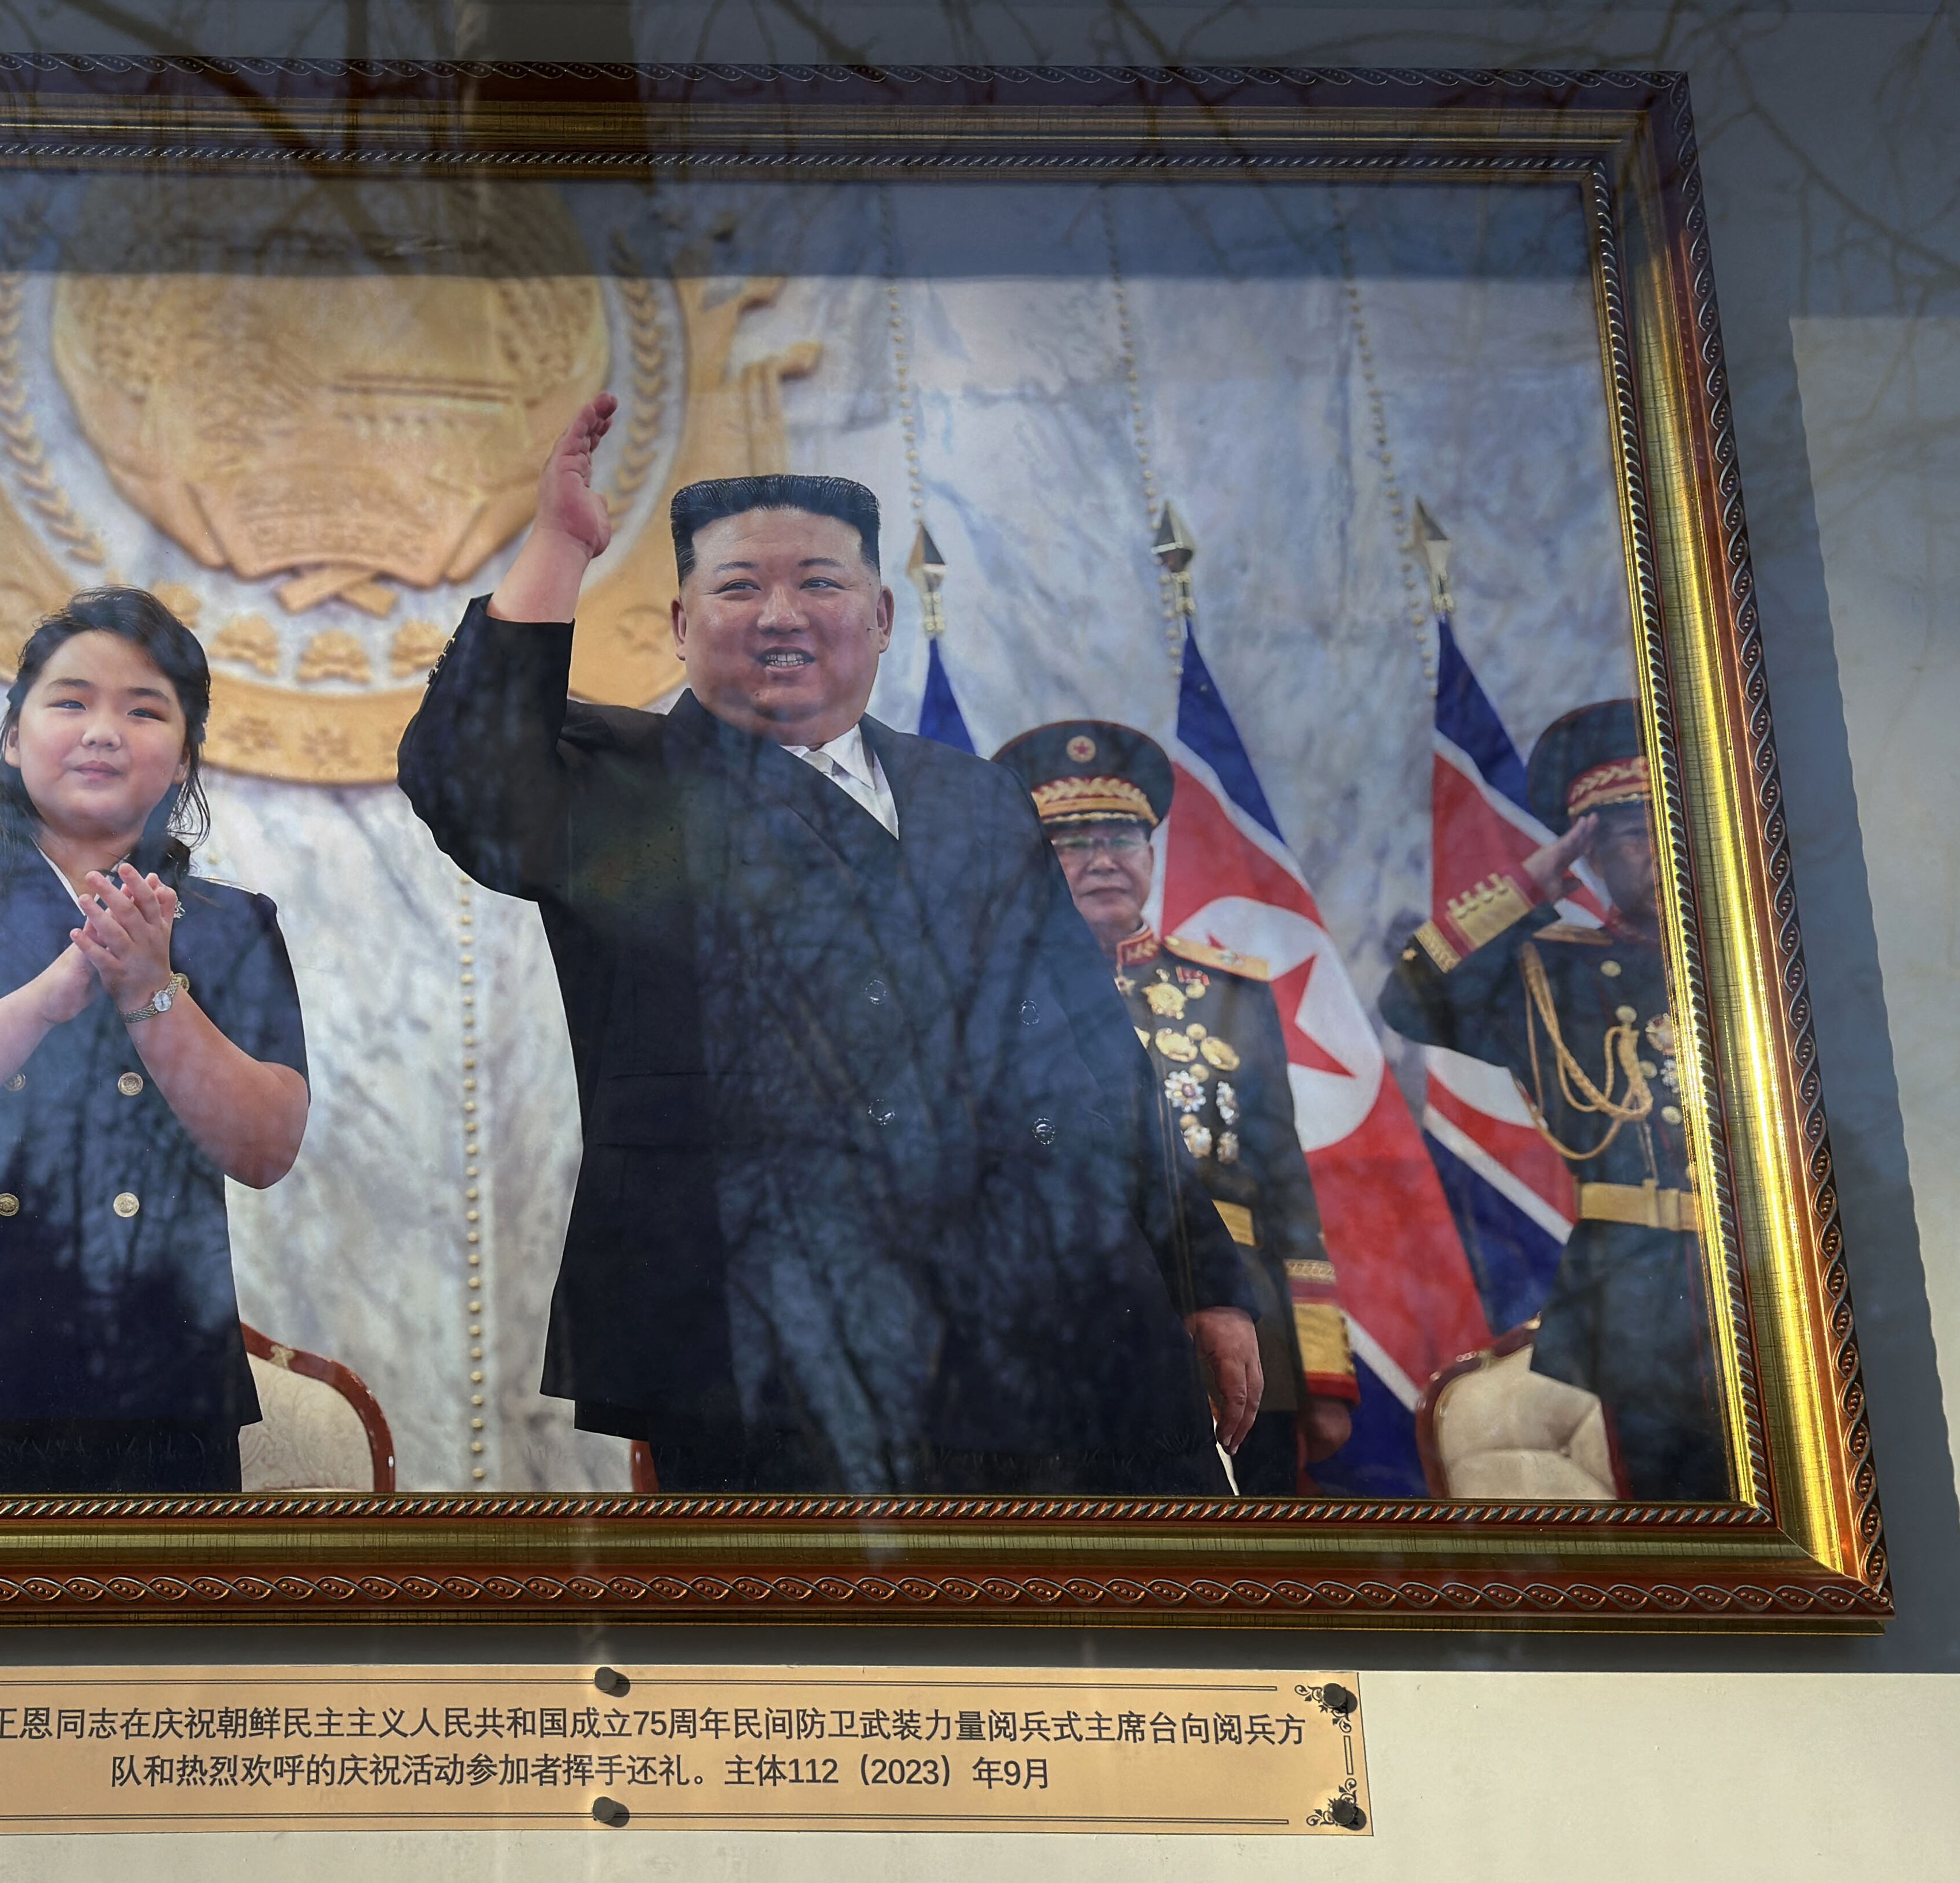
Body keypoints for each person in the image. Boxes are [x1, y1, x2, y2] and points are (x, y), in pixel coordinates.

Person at [398, 394, 1258, 1495]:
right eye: (739, 586)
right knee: (834, 1659)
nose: (780, 612)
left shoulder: (976, 795)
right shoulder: (617, 788)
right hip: (780, 1345)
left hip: (1077, 1311)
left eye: (820, 581)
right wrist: (560, 546)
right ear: (678, 622)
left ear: (884, 614)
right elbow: (467, 776)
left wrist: (1202, 1276)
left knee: (1123, 1645)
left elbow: (1097, 1051)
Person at [0, 588, 309, 1495]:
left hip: (155, 1388)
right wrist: (45, 1000)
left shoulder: (234, 925)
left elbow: (265, 1148)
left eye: (144, 709)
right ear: (12, 737)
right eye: (70, 701)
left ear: (185, 752)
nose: (103, 731)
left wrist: (152, 990)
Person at [993, 719, 1359, 1498]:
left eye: (1122, 838)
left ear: (1151, 854)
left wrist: (1322, 1369)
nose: (1101, 862)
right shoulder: (1001, 998)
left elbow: (1286, 1188)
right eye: (1070, 841)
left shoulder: (1230, 993)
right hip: (1075, 1315)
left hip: (1240, 1319)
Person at [1378, 699, 1724, 1499]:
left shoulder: (1752, 966)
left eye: (1671, 822)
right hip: (1636, 1288)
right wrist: (1535, 878)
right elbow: (1412, 998)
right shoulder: (1552, 972)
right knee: (1678, 1507)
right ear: (1593, 852)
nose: (1659, 847)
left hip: (1768, 1265)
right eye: (1633, 831)